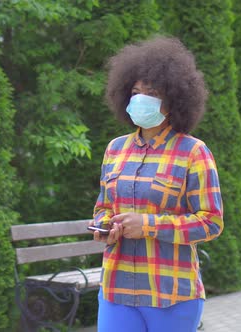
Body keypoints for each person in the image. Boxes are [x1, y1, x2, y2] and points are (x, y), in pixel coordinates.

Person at [89, 36, 224, 332]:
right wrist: (105, 225)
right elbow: (103, 207)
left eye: (151, 92)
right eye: (135, 91)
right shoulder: (115, 149)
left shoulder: (194, 152)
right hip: (116, 289)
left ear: (173, 99)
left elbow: (210, 222)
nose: (140, 99)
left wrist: (149, 225)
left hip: (171, 293)